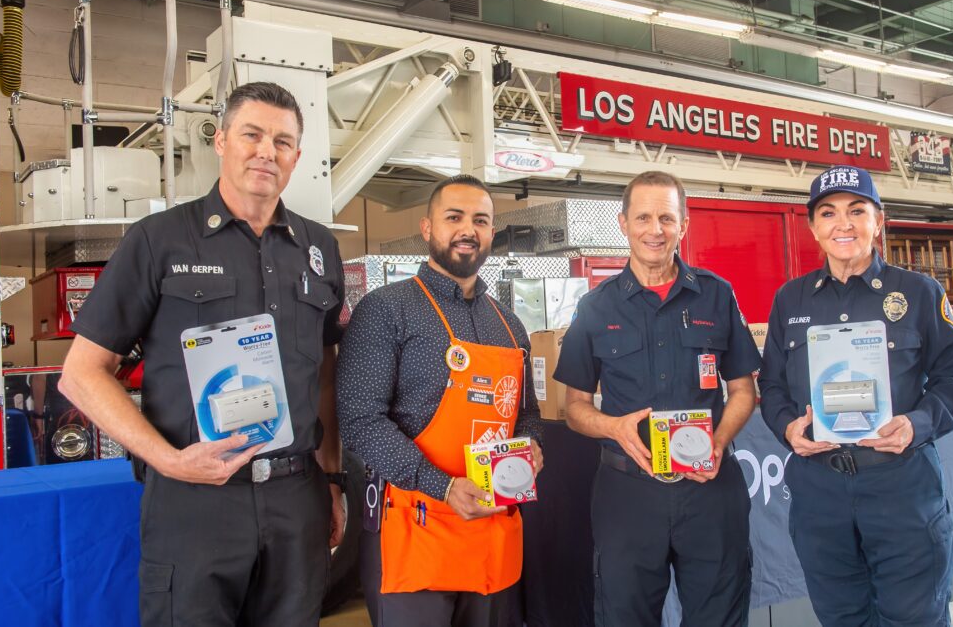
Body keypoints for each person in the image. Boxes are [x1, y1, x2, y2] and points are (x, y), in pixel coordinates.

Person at [60, 82, 346, 626]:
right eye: (252, 134)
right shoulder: (159, 240)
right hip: (194, 499)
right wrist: (167, 460)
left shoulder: (319, 248)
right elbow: (82, 373)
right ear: (221, 141)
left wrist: (330, 481)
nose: (267, 151)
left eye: (283, 141)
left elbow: (326, 370)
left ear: (297, 158)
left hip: (296, 498)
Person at [759, 165, 953, 626]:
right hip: (820, 492)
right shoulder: (790, 301)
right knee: (842, 618)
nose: (844, 224)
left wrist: (917, 425)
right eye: (829, 213)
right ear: (813, 227)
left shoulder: (918, 293)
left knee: (914, 618)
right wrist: (786, 427)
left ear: (879, 219)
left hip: (900, 485)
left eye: (857, 211)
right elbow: (771, 384)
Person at [553, 170, 760, 627]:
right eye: (643, 217)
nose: (655, 230)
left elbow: (745, 391)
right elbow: (575, 408)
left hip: (710, 491)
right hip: (628, 494)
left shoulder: (717, 296)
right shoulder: (595, 308)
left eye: (667, 218)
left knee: (720, 617)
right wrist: (612, 426)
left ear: (683, 225)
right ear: (623, 223)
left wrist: (720, 441)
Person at [337, 175, 544, 627]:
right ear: (427, 227)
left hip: (493, 535)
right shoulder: (387, 309)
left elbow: (525, 413)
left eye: (481, 220)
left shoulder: (509, 325)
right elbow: (359, 423)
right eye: (454, 217)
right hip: (415, 534)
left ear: (492, 233)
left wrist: (531, 447)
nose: (468, 229)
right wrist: (445, 487)